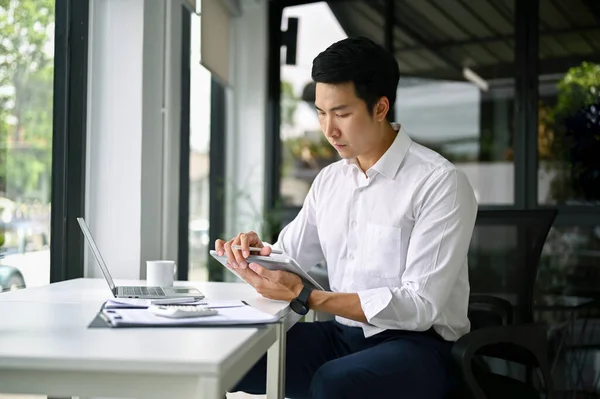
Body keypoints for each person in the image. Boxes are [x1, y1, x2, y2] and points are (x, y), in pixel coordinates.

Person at [216, 37, 478, 399]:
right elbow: (290, 257)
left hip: (420, 347)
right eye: (321, 113)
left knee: (335, 382)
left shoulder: (439, 182)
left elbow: (420, 306)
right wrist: (254, 256)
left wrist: (311, 297)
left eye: (341, 113)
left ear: (381, 107)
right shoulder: (331, 181)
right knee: (237, 358)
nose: (329, 129)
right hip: (343, 335)